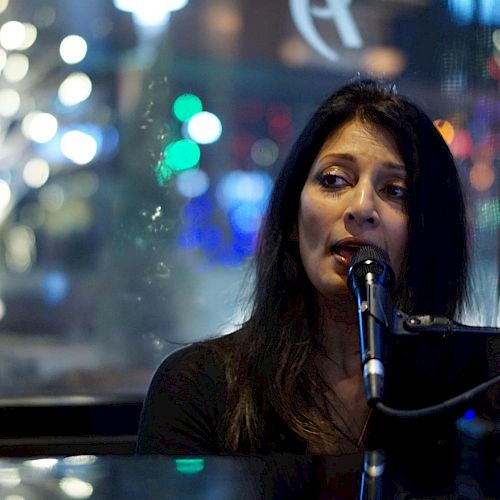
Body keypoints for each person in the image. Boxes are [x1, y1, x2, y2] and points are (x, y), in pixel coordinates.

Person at [136, 78, 497, 456]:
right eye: (334, 180)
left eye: (395, 191)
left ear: (428, 231)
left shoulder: (481, 383)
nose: (361, 208)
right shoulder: (196, 387)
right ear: (293, 218)